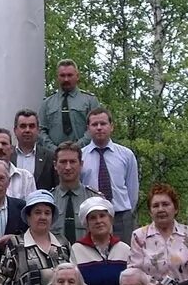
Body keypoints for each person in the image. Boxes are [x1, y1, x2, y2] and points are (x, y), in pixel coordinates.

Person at [127, 183, 188, 285]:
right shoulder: (139, 236)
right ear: (150, 211)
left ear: (176, 208)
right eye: (155, 206)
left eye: (166, 204)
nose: (161, 209)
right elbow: (134, 270)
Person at [2, 189, 71, 285]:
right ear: (28, 216)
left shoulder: (62, 242)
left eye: (47, 213)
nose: (43, 217)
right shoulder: (16, 244)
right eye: (37, 212)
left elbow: (75, 280)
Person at [81, 108, 139, 240]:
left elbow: (132, 190)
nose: (99, 128)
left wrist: (126, 211)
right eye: (95, 125)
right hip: (92, 216)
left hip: (121, 217)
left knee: (124, 256)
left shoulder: (126, 155)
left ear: (111, 126)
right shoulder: (81, 157)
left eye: (103, 124)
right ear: (88, 128)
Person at [71, 196, 130, 285]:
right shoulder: (77, 249)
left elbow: (132, 282)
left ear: (110, 219)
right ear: (86, 224)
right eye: (93, 218)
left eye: (102, 216)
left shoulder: (124, 249)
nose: (98, 221)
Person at [39, 59, 99, 149]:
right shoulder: (47, 103)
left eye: (70, 75)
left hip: (85, 154)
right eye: (62, 75)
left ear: (77, 76)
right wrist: (54, 150)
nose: (66, 79)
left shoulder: (90, 101)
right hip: (54, 157)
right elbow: (41, 131)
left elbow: (96, 126)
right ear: (57, 77)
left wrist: (77, 147)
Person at [50, 143, 100, 243]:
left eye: (72, 162)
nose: (68, 167)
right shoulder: (49, 200)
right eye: (63, 162)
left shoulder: (95, 199)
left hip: (88, 256)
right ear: (55, 165)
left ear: (81, 164)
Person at [12, 109, 56, 190]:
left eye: (31, 126)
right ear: (15, 130)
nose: (27, 130)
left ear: (38, 130)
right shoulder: (7, 155)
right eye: (23, 126)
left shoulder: (50, 157)